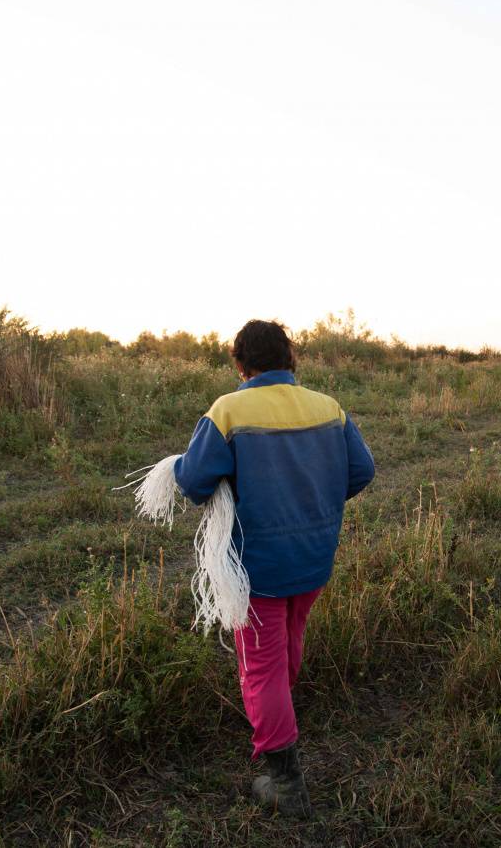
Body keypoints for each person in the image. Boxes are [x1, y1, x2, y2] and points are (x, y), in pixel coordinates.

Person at [173, 319, 375, 818]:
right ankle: (280, 723)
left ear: (240, 364)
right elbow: (362, 470)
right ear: (291, 360)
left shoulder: (228, 410)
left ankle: (285, 779)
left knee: (260, 668)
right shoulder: (328, 408)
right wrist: (319, 504)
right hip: (314, 559)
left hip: (257, 568)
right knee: (289, 643)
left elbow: (194, 483)